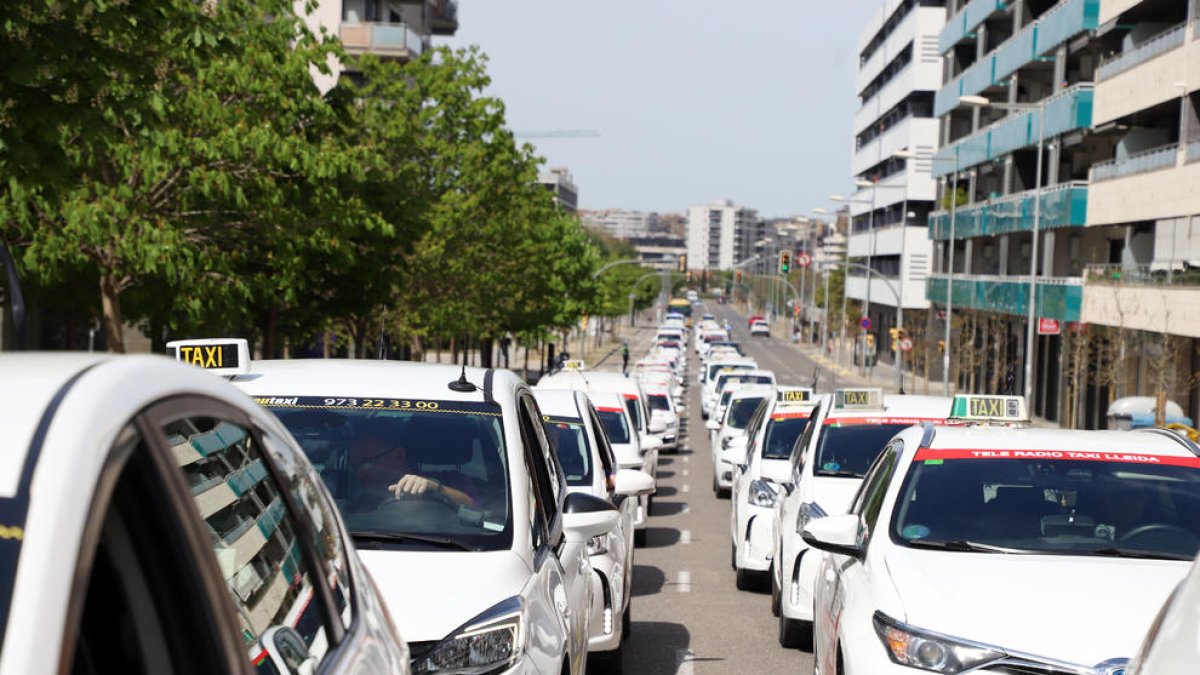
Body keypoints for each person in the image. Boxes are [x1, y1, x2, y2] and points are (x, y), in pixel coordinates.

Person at [347, 421, 478, 509]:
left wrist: (437, 489)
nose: (358, 473)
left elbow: (476, 511)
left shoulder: (452, 481)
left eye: (366, 463)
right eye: (354, 466)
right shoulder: (353, 497)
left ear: (398, 455)